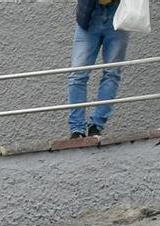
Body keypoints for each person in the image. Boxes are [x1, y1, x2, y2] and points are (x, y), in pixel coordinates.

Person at [67, 0, 129, 140]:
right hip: (90, 13)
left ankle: (97, 125)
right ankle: (77, 129)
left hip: (118, 12)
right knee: (77, 75)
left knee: (111, 73)